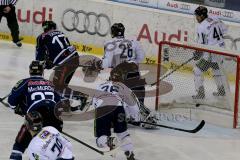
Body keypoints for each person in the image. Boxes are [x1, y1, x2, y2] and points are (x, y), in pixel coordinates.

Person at [8, 60, 64, 160]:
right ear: (42, 71)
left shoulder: (24, 82)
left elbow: (11, 102)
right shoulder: (51, 84)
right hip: (55, 116)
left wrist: (21, 108)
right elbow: (61, 104)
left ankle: (16, 155)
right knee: (49, 148)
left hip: (37, 115)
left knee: (19, 147)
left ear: (30, 71)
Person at [35, 20, 88, 111]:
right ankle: (65, 105)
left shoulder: (41, 37)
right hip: (75, 59)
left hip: (65, 63)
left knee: (57, 88)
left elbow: (40, 56)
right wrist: (49, 63)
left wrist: (39, 65)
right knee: (62, 86)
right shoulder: (61, 33)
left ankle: (80, 96)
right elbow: (60, 50)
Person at [92, 69, 139, 160]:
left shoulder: (100, 85)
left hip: (102, 109)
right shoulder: (125, 88)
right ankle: (129, 154)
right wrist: (135, 118)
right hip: (118, 109)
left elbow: (95, 102)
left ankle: (109, 141)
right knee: (123, 134)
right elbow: (133, 106)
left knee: (100, 139)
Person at [102, 23, 145, 104]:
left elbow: (106, 64)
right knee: (139, 103)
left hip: (120, 76)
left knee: (117, 102)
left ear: (113, 32)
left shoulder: (109, 44)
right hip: (134, 74)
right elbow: (141, 57)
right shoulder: (134, 42)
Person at [192, 6, 229, 99]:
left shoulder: (201, 27)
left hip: (211, 54)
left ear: (202, 16)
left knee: (197, 70)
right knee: (217, 70)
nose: (196, 18)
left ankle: (200, 94)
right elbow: (225, 30)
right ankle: (221, 91)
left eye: (197, 16)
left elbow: (202, 45)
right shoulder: (215, 18)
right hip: (221, 52)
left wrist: (197, 53)